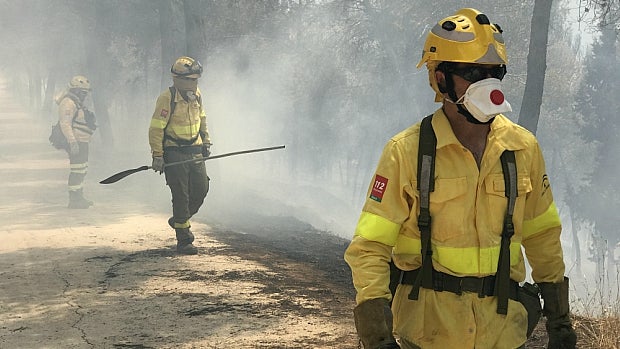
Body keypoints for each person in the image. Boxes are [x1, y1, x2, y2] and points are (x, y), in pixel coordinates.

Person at [344, 8, 577, 349]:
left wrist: (559, 320)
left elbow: (543, 235)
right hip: (428, 336)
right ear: (440, 79)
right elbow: (370, 247)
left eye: (494, 73)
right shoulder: (406, 152)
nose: (488, 86)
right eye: (472, 73)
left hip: (503, 335)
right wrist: (376, 334)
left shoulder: (523, 149)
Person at [148, 56, 212, 255]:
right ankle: (184, 239)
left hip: (195, 150)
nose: (195, 83)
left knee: (201, 189)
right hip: (175, 152)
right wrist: (158, 155)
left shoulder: (197, 94)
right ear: (179, 79)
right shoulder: (167, 98)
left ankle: (178, 220)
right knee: (181, 195)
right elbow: (156, 128)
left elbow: (202, 118)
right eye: (191, 80)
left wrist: (206, 141)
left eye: (196, 80)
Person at [58, 75, 97, 209]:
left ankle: (79, 197)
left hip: (82, 141)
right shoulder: (68, 103)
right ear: (76, 90)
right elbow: (65, 124)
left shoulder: (75, 103)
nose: (85, 95)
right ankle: (74, 200)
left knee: (81, 170)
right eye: (83, 92)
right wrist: (73, 142)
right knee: (77, 170)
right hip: (77, 142)